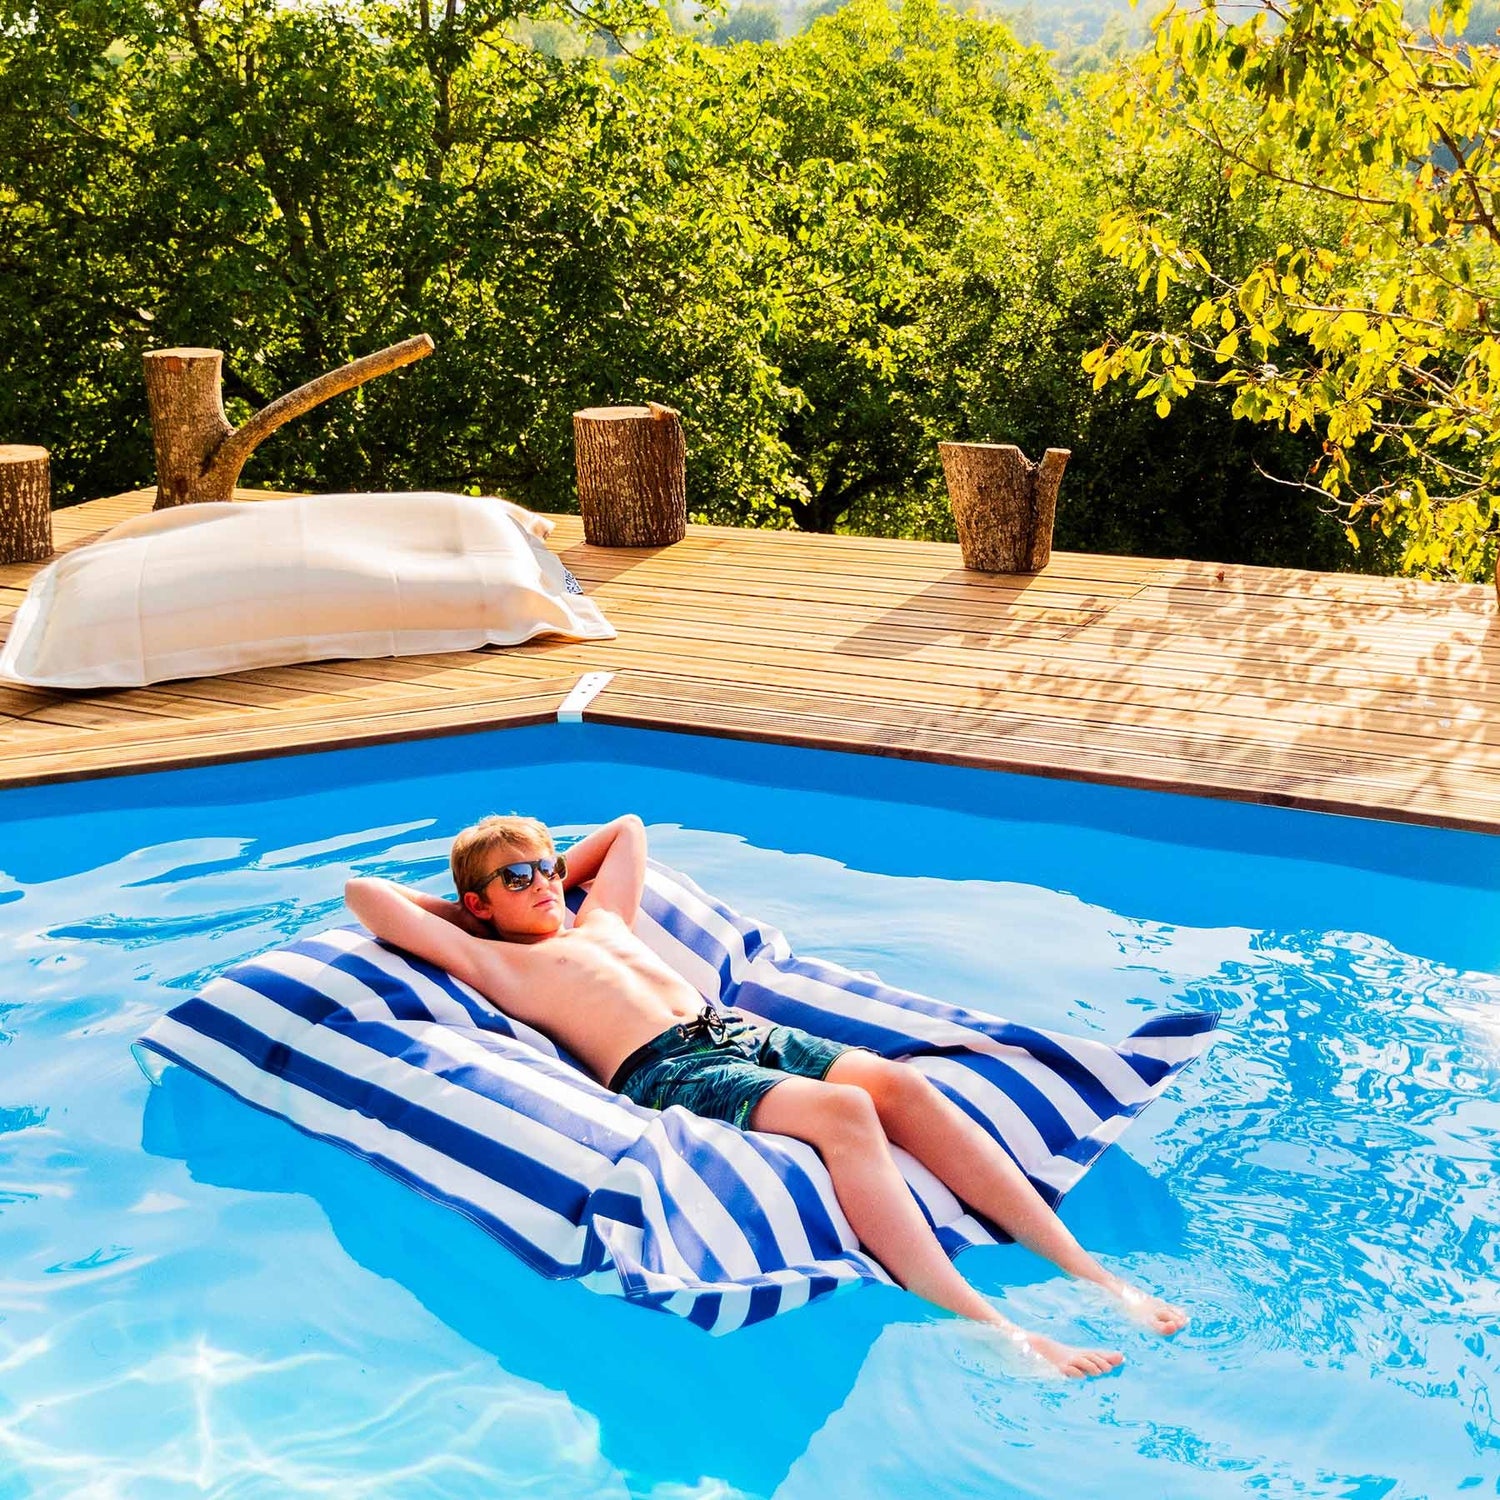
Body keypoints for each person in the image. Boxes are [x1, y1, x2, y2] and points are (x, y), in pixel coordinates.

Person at [344, 813, 1187, 1377]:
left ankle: (1094, 1277)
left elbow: (628, 830)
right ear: (477, 904)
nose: (542, 882)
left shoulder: (599, 919)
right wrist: (471, 915)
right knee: (846, 1112)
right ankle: (999, 1331)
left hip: (738, 1033)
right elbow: (365, 896)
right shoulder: (496, 959)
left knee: (897, 1083)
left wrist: (541, 876)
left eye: (549, 866)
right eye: (517, 877)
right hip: (665, 1067)